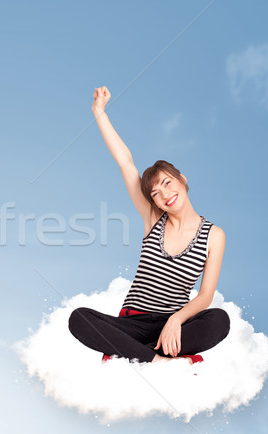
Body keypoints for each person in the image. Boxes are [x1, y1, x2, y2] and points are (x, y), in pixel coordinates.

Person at [68, 86, 230, 365]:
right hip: (133, 323)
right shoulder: (153, 218)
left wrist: (176, 320)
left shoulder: (214, 236)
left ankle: (135, 353)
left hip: (174, 324)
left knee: (219, 319)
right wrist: (99, 112)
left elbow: (204, 296)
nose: (164, 194)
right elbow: (125, 162)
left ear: (183, 179)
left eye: (167, 183)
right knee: (79, 318)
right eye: (155, 193)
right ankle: (160, 361)